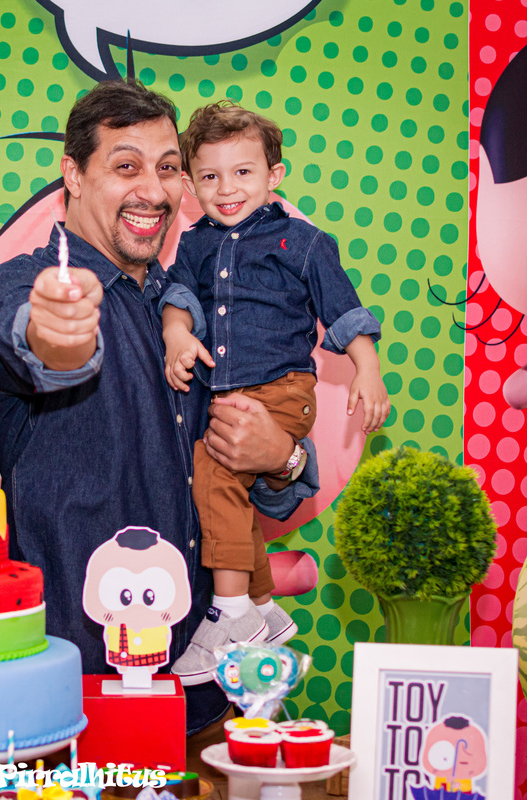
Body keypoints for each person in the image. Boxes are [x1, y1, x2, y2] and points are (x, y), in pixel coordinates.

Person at [0, 80, 315, 732]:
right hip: (72, 710)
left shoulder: (196, 308)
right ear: (73, 174)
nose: (153, 192)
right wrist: (61, 335)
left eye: (168, 169)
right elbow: (27, 340)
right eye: (126, 167)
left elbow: (263, 491)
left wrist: (283, 457)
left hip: (204, 700)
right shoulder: (27, 284)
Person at [161, 101, 389, 684]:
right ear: (189, 186)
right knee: (226, 493)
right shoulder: (193, 246)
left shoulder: (302, 243)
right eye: (210, 176)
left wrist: (367, 369)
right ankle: (263, 606)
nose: (226, 189)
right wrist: (178, 335)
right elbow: (177, 299)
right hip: (224, 392)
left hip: (283, 390)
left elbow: (344, 311)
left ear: (274, 176)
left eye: (243, 172)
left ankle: (230, 611)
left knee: (215, 476)